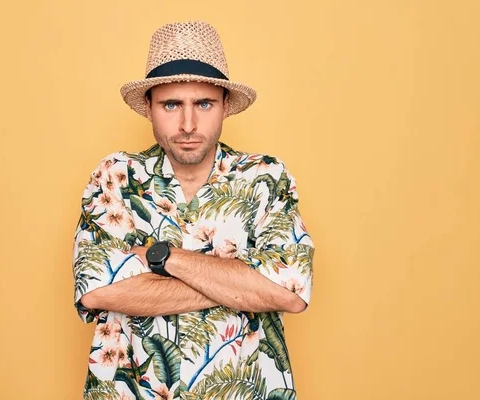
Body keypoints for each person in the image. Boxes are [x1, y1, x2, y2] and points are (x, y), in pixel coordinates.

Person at [72, 21, 315, 400]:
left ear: (224, 107)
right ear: (149, 108)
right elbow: (96, 291)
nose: (188, 124)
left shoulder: (266, 177)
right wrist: (242, 284)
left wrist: (163, 258)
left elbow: (291, 294)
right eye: (172, 105)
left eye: (204, 103)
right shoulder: (116, 177)